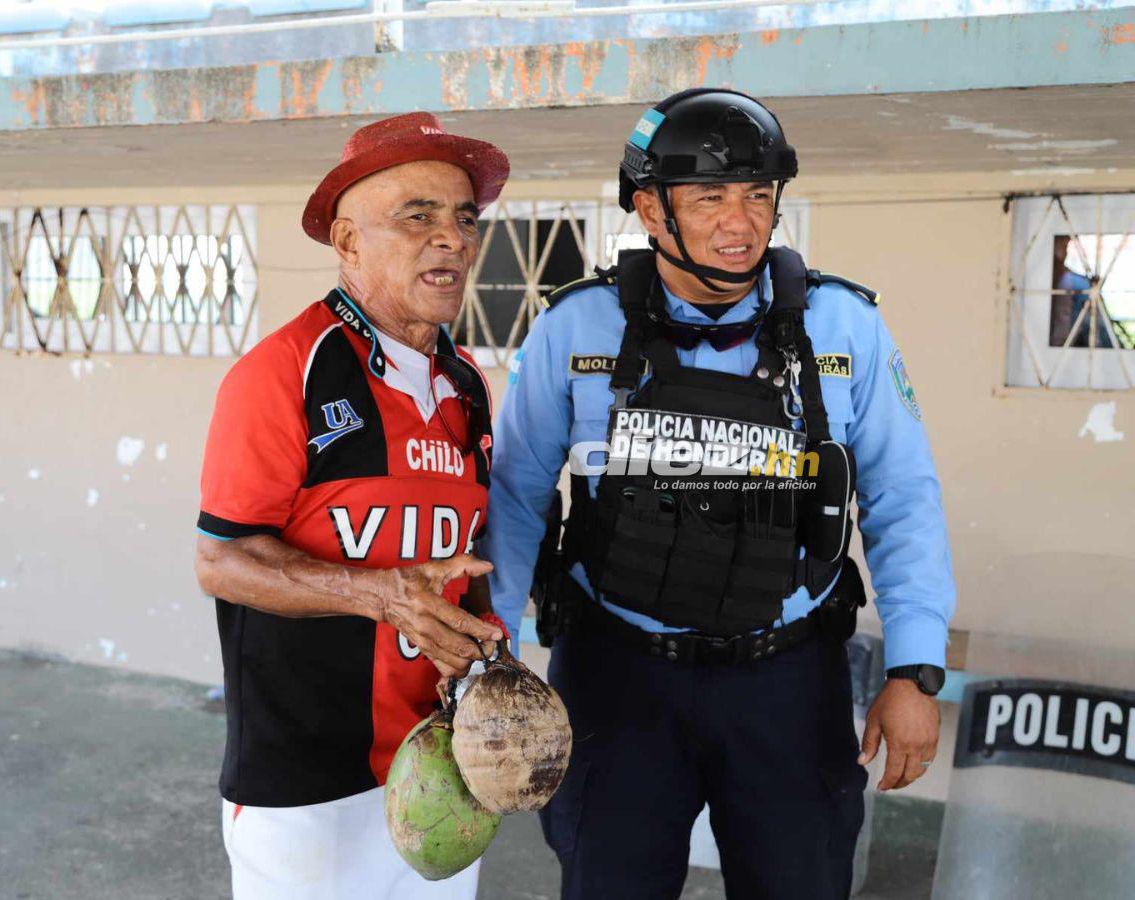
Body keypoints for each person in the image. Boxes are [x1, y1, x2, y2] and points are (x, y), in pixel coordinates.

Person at [483, 88, 957, 899]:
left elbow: (901, 493)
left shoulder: (844, 326)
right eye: (710, 197)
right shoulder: (575, 326)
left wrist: (916, 667)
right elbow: (516, 495)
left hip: (787, 678)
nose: (741, 223)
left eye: (758, 196)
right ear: (650, 209)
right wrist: (490, 654)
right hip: (616, 677)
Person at [193, 112, 511, 900]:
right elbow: (221, 560)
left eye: (465, 219)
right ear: (346, 242)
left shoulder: (467, 384)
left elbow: (466, 559)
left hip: (441, 765)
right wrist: (378, 594)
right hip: (306, 787)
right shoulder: (283, 371)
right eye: (418, 216)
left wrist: (486, 660)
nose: (452, 239)